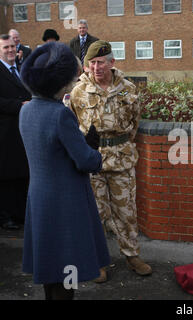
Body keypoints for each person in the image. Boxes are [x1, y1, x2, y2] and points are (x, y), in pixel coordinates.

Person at [19, 41, 110, 300]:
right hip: (65, 201)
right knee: (67, 273)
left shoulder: (26, 110)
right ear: (59, 81)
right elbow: (87, 162)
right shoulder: (60, 114)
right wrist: (92, 149)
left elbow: (50, 152)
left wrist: (79, 145)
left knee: (50, 267)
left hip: (39, 198)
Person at [69, 40, 152, 282]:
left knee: (126, 211)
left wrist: (121, 145)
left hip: (122, 159)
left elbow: (134, 123)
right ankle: (97, 261)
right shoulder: (77, 92)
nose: (96, 68)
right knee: (95, 213)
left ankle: (132, 255)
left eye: (101, 63)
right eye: (92, 63)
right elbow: (71, 125)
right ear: (86, 66)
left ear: (112, 63)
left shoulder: (128, 89)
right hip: (91, 161)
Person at [0, 34, 31, 230]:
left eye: (12, 46)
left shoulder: (20, 68)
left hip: (21, 131)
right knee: (6, 176)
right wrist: (19, 105)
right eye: (6, 48)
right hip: (4, 132)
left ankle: (19, 214)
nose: (10, 50)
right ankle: (5, 217)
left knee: (21, 173)